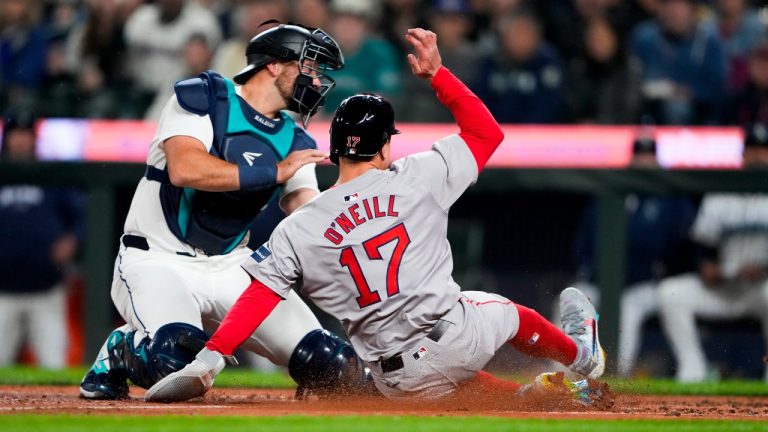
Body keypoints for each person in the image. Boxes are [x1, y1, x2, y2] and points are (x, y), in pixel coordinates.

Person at [144, 28, 607, 404]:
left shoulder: (300, 225)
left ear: (333, 149)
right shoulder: (419, 174)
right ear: (385, 145)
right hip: (455, 335)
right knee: (509, 313)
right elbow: (486, 133)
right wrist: (438, 74)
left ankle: (553, 398)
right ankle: (582, 358)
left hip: (394, 380)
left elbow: (258, 298)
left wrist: (211, 357)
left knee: (456, 384)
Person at [79, 22, 376, 401]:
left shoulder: (296, 139)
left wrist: (355, 210)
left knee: (334, 366)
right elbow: (186, 169)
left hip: (233, 266)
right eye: (310, 68)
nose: (316, 81)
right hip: (157, 259)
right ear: (274, 65)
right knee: (174, 360)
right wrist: (275, 171)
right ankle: (120, 349)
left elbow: (305, 211)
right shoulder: (205, 96)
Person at [657, 123, 768, 382]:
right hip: (724, 282)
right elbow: (698, 245)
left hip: (760, 287)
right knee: (670, 293)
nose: (757, 156)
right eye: (751, 150)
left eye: (763, 150)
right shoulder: (721, 192)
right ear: (741, 156)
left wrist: (763, 270)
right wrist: (705, 265)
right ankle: (693, 371)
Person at [0, 111, 84, 368]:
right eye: (16, 135)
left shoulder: (51, 175)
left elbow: (82, 215)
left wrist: (72, 240)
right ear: (8, 138)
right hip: (3, 289)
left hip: (46, 286)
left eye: (26, 135)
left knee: (53, 363)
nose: (21, 141)